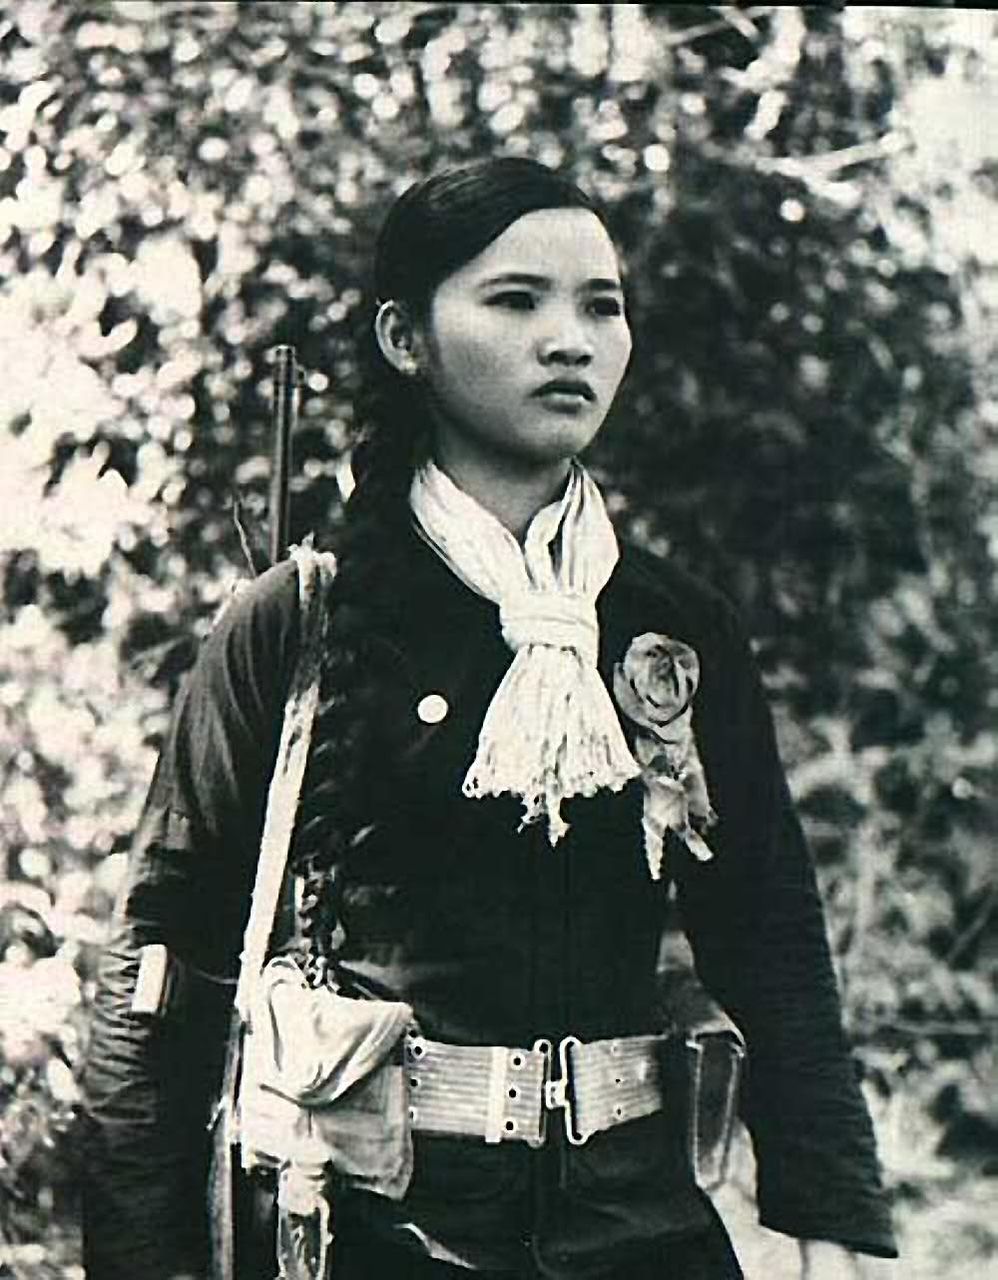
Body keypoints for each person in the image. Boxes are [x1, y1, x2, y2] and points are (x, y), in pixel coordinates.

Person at [80, 157, 898, 1280]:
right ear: (404, 338)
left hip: (639, 1231)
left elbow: (769, 935)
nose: (570, 341)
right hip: (372, 1231)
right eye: (515, 300)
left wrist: (832, 1225)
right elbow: (161, 959)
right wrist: (143, 1254)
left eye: (600, 306)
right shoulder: (303, 620)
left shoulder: (671, 626)